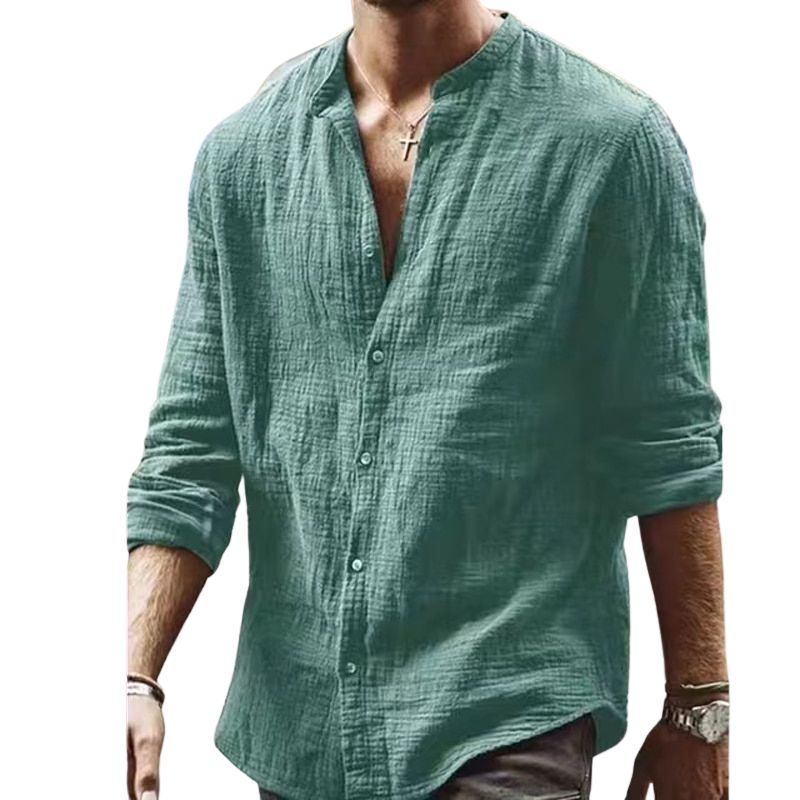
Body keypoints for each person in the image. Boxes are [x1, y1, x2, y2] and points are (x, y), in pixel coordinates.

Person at [126, 2, 730, 799]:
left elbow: (668, 445)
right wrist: (134, 677)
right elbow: (190, 455)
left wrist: (699, 708)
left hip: (508, 715)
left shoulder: (610, 144)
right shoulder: (244, 158)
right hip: (301, 733)